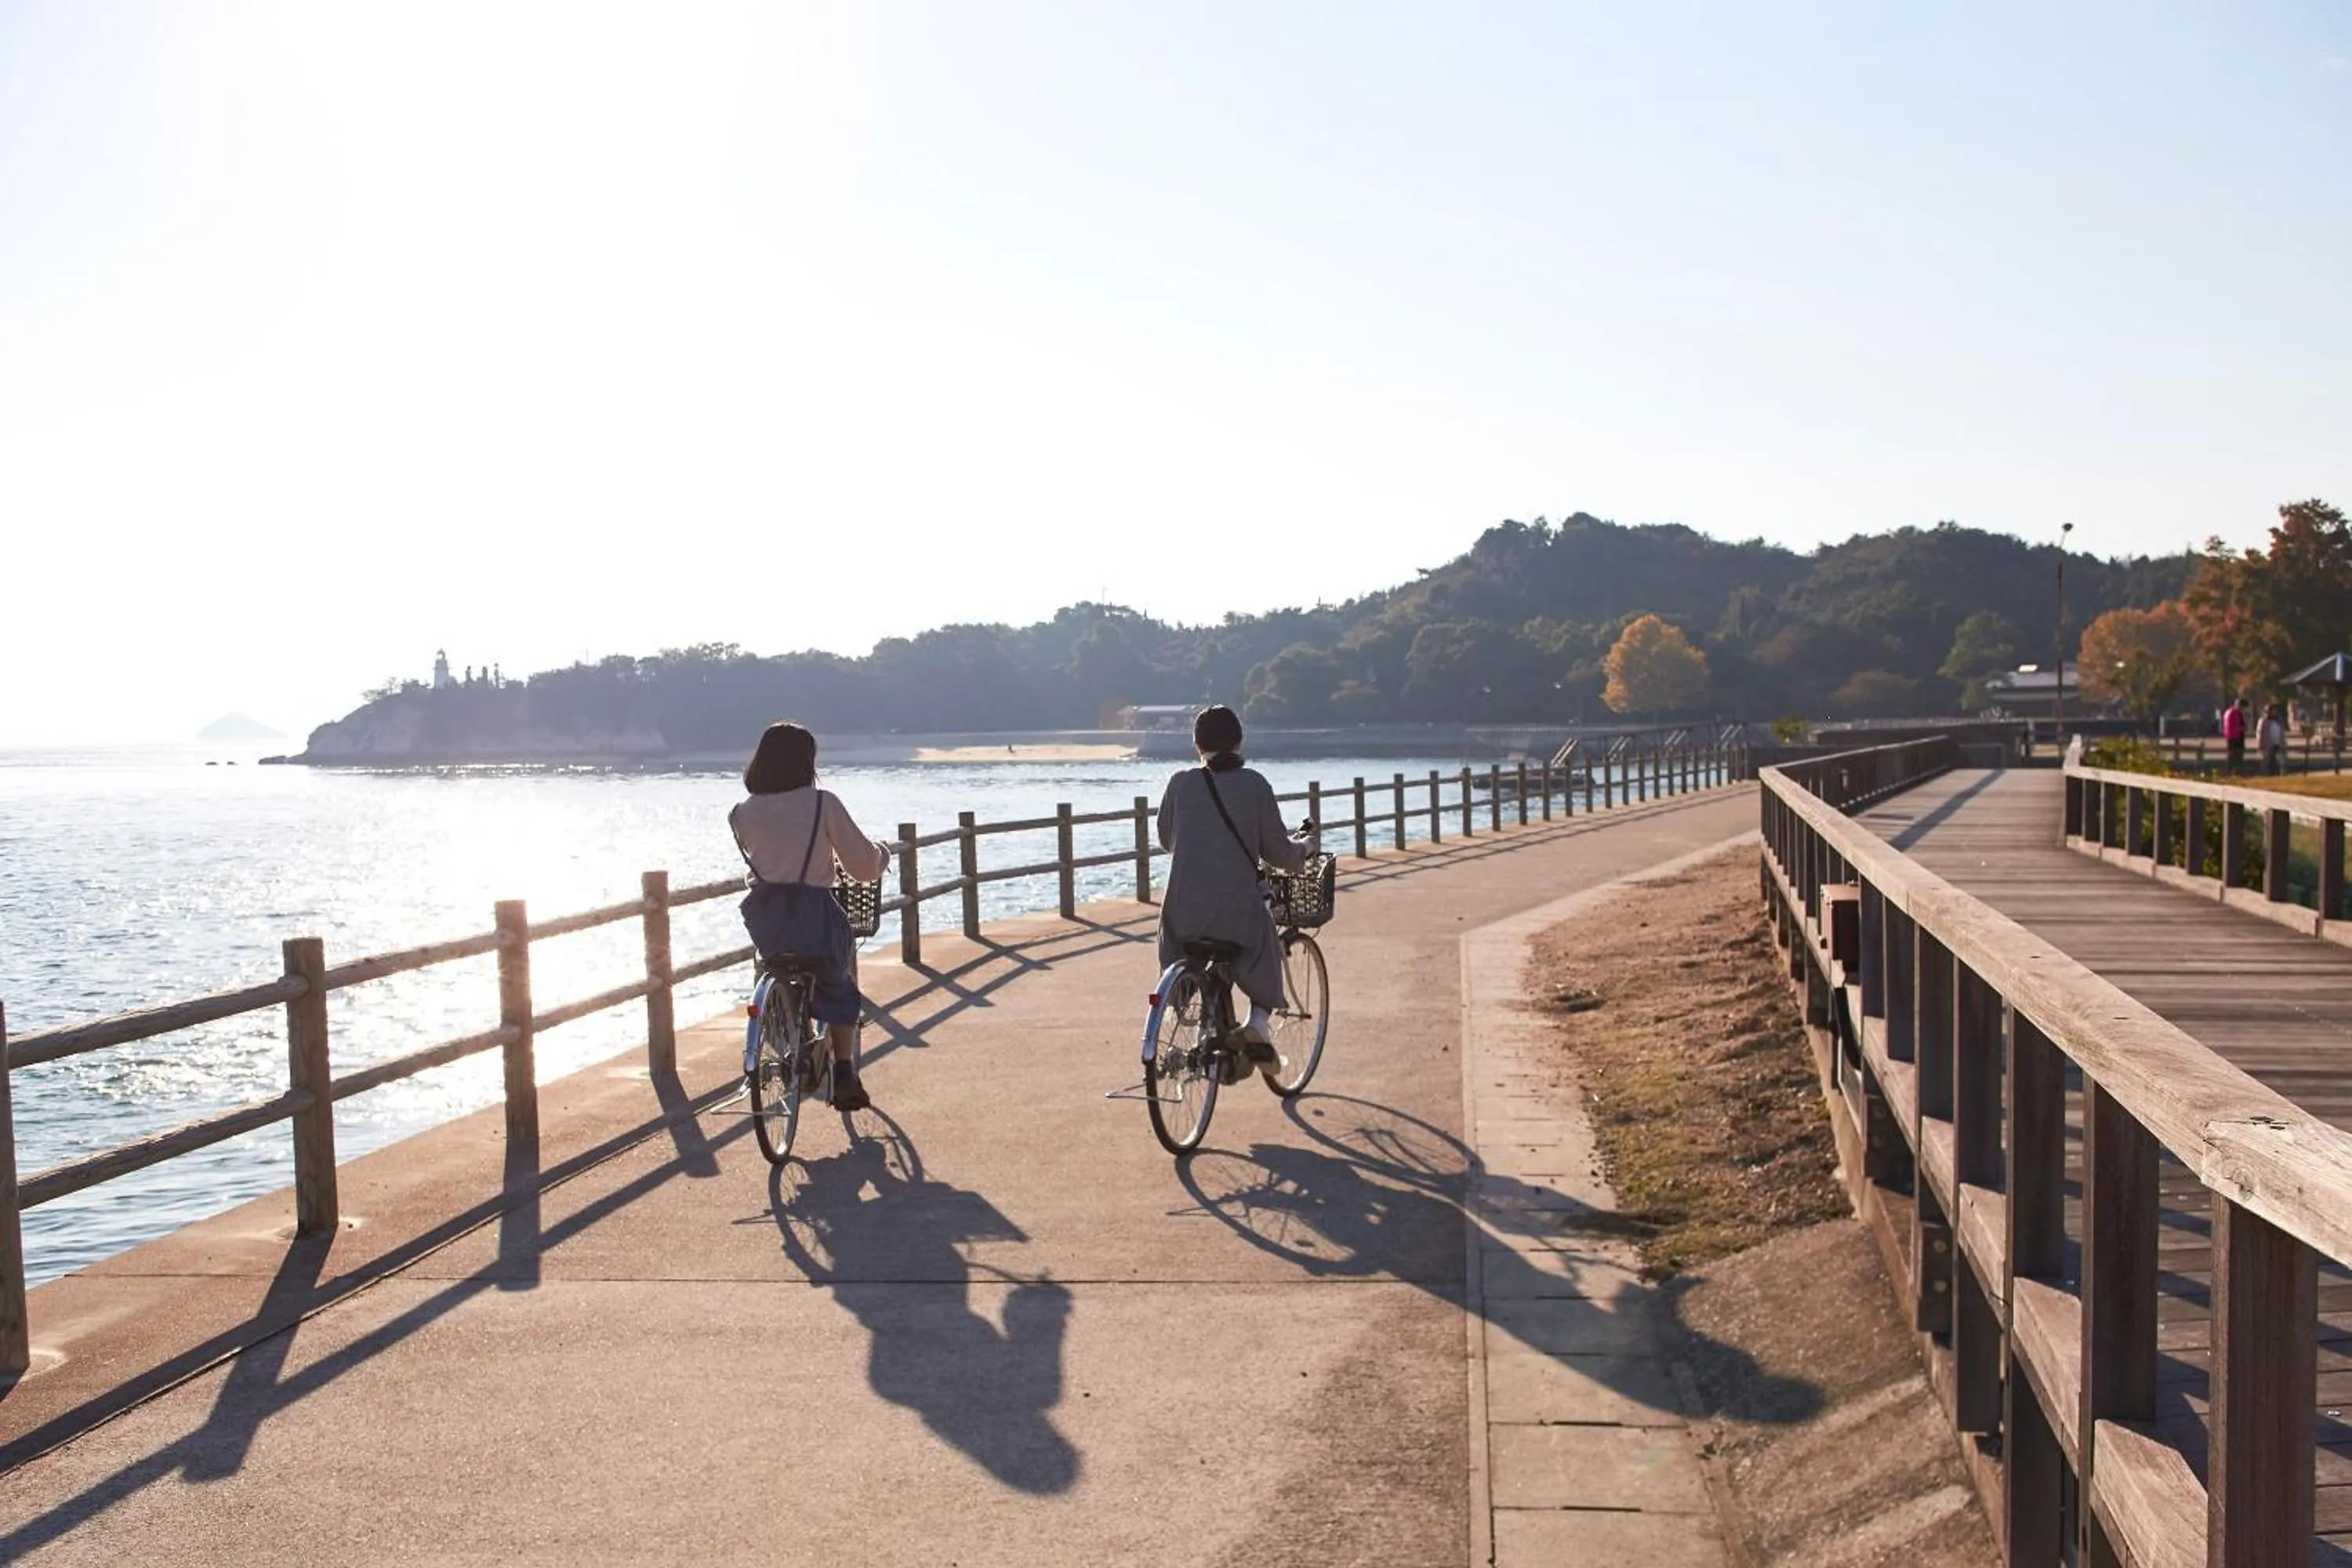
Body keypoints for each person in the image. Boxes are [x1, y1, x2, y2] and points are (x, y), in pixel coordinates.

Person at [730, 721, 891, 1111]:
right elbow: (863, 867)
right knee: (838, 985)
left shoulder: (741, 814)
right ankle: (844, 1069)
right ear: (807, 761)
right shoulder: (823, 804)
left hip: (767, 919)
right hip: (814, 913)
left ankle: (793, 1038)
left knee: (778, 971)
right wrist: (883, 855)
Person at [1155, 706, 1311, 1069]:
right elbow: (1279, 854)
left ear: (1197, 745)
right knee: (1263, 940)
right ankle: (1257, 1023)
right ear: (1239, 743)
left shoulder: (1180, 783)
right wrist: (1305, 848)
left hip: (1183, 915)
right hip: (1235, 913)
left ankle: (1193, 1012)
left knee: (1189, 952)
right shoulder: (1254, 784)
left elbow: (1166, 840)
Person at [2259, 701, 2288, 775]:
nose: (2274, 712)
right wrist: (2262, 745)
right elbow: (2260, 733)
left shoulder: (2279, 721)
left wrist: (2284, 743)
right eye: (2272, 711)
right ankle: (2268, 774)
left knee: (2280, 762)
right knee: (2268, 762)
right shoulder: (2264, 721)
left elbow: (2282, 733)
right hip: (2269, 745)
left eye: (2275, 711)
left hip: (2278, 744)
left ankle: (2278, 774)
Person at [2222, 696, 2249, 774]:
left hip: (2231, 737)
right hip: (2236, 737)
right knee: (2236, 756)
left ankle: (2232, 771)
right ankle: (2234, 771)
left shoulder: (2229, 712)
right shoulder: (2235, 713)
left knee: (2232, 756)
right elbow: (2235, 726)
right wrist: (2242, 728)